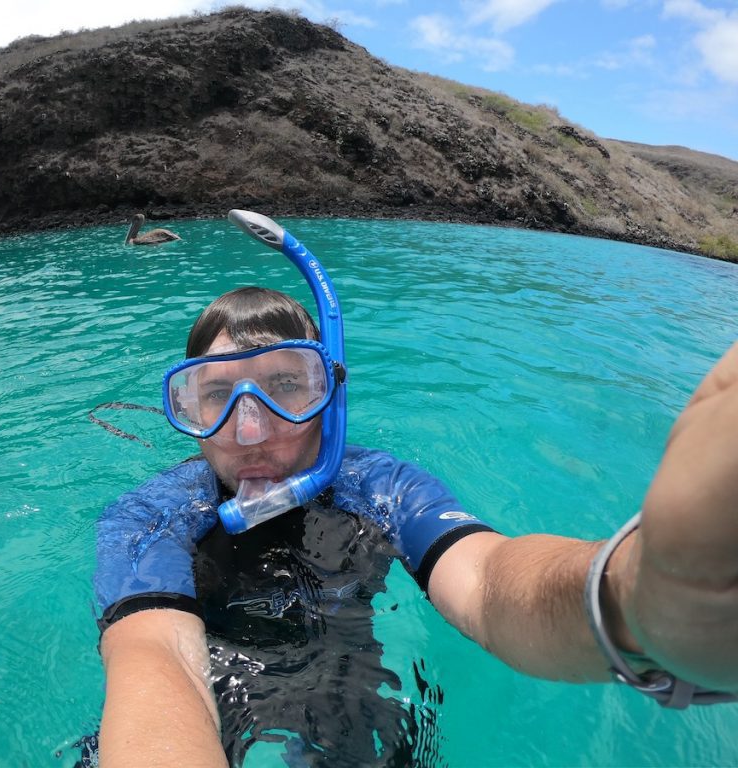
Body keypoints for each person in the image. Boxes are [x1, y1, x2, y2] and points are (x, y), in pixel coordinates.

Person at [92, 212, 738, 767]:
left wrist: (637, 598)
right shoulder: (153, 515)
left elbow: (486, 582)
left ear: (330, 397)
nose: (252, 428)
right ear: (189, 413)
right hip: (213, 675)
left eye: (287, 386)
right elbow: (156, 657)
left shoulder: (381, 487)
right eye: (216, 396)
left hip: (343, 677)